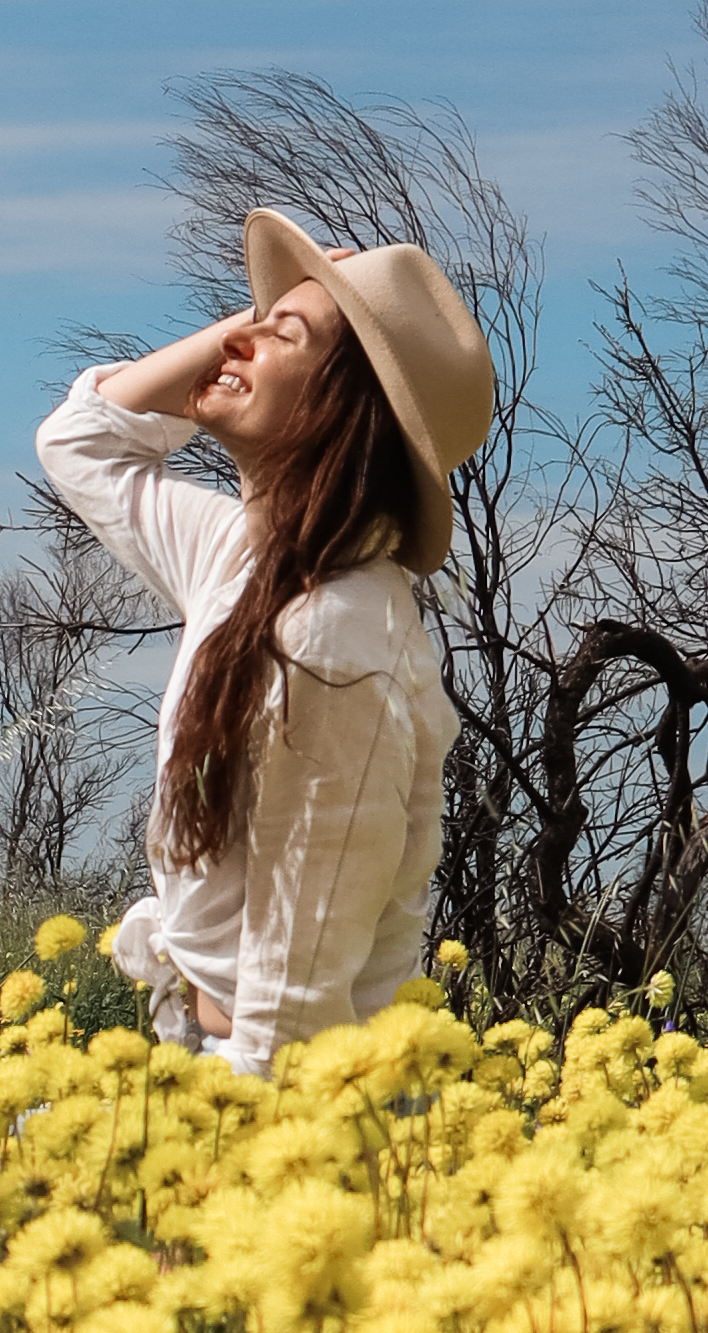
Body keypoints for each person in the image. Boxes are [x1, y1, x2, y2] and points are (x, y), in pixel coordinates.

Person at [34, 213, 495, 1073]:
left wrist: (228, 1157)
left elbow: (299, 1000)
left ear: (344, 409)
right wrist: (270, 318)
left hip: (281, 1100)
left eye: (280, 334)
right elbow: (79, 443)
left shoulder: (335, 642)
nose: (238, 341)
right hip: (209, 1059)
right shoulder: (247, 555)